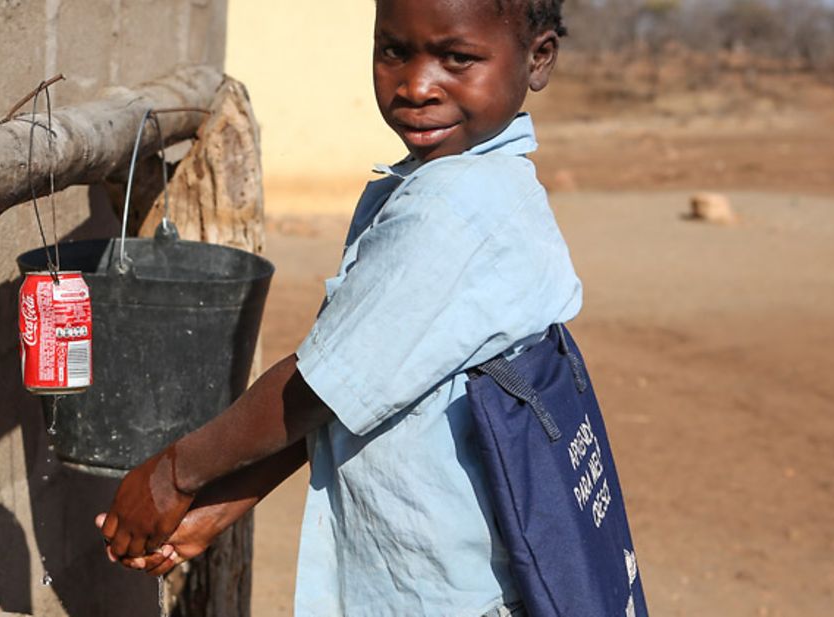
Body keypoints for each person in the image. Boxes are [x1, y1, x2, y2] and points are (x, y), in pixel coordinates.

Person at [96, 0, 579, 614]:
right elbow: (367, 383)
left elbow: (321, 387)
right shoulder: (476, 182)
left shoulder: (454, 208)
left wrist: (173, 475)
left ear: (538, 58)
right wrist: (222, 505)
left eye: (458, 59)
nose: (416, 86)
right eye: (393, 51)